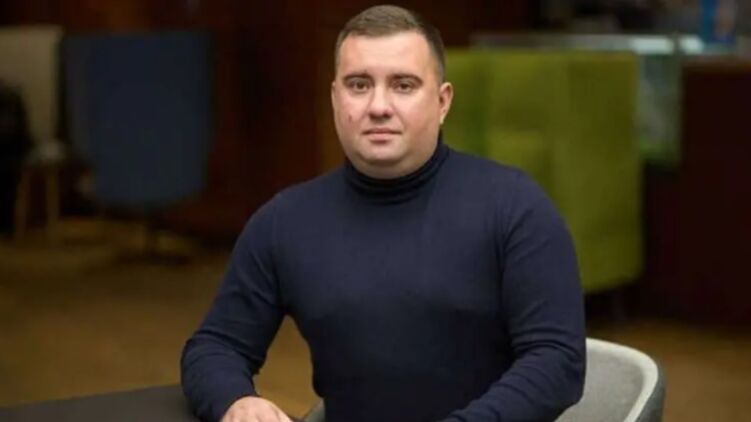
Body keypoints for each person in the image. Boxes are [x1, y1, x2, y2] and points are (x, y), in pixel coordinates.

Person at [181, 5, 585, 422]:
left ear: (442, 101)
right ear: (335, 97)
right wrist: (236, 401)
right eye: (359, 85)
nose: (378, 106)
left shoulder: (515, 207)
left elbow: (557, 361)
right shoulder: (284, 222)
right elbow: (214, 347)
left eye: (403, 85)